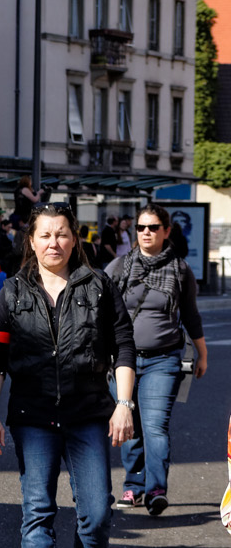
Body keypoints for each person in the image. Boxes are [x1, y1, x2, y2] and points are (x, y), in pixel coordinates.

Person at [0, 206, 137, 548]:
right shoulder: (12, 293)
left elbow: (123, 347)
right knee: (38, 512)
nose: (54, 242)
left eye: (62, 234)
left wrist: (123, 403)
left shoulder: (99, 286)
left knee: (98, 512)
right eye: (45, 235)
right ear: (31, 241)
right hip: (32, 416)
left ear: (74, 240)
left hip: (87, 412)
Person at [107, 203, 208, 515]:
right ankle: (133, 487)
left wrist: (202, 353)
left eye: (152, 227)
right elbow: (98, 313)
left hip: (164, 359)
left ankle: (155, 490)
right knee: (129, 426)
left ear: (166, 231)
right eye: (140, 227)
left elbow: (190, 315)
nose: (146, 233)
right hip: (122, 361)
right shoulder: (119, 267)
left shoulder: (180, 270)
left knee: (155, 425)